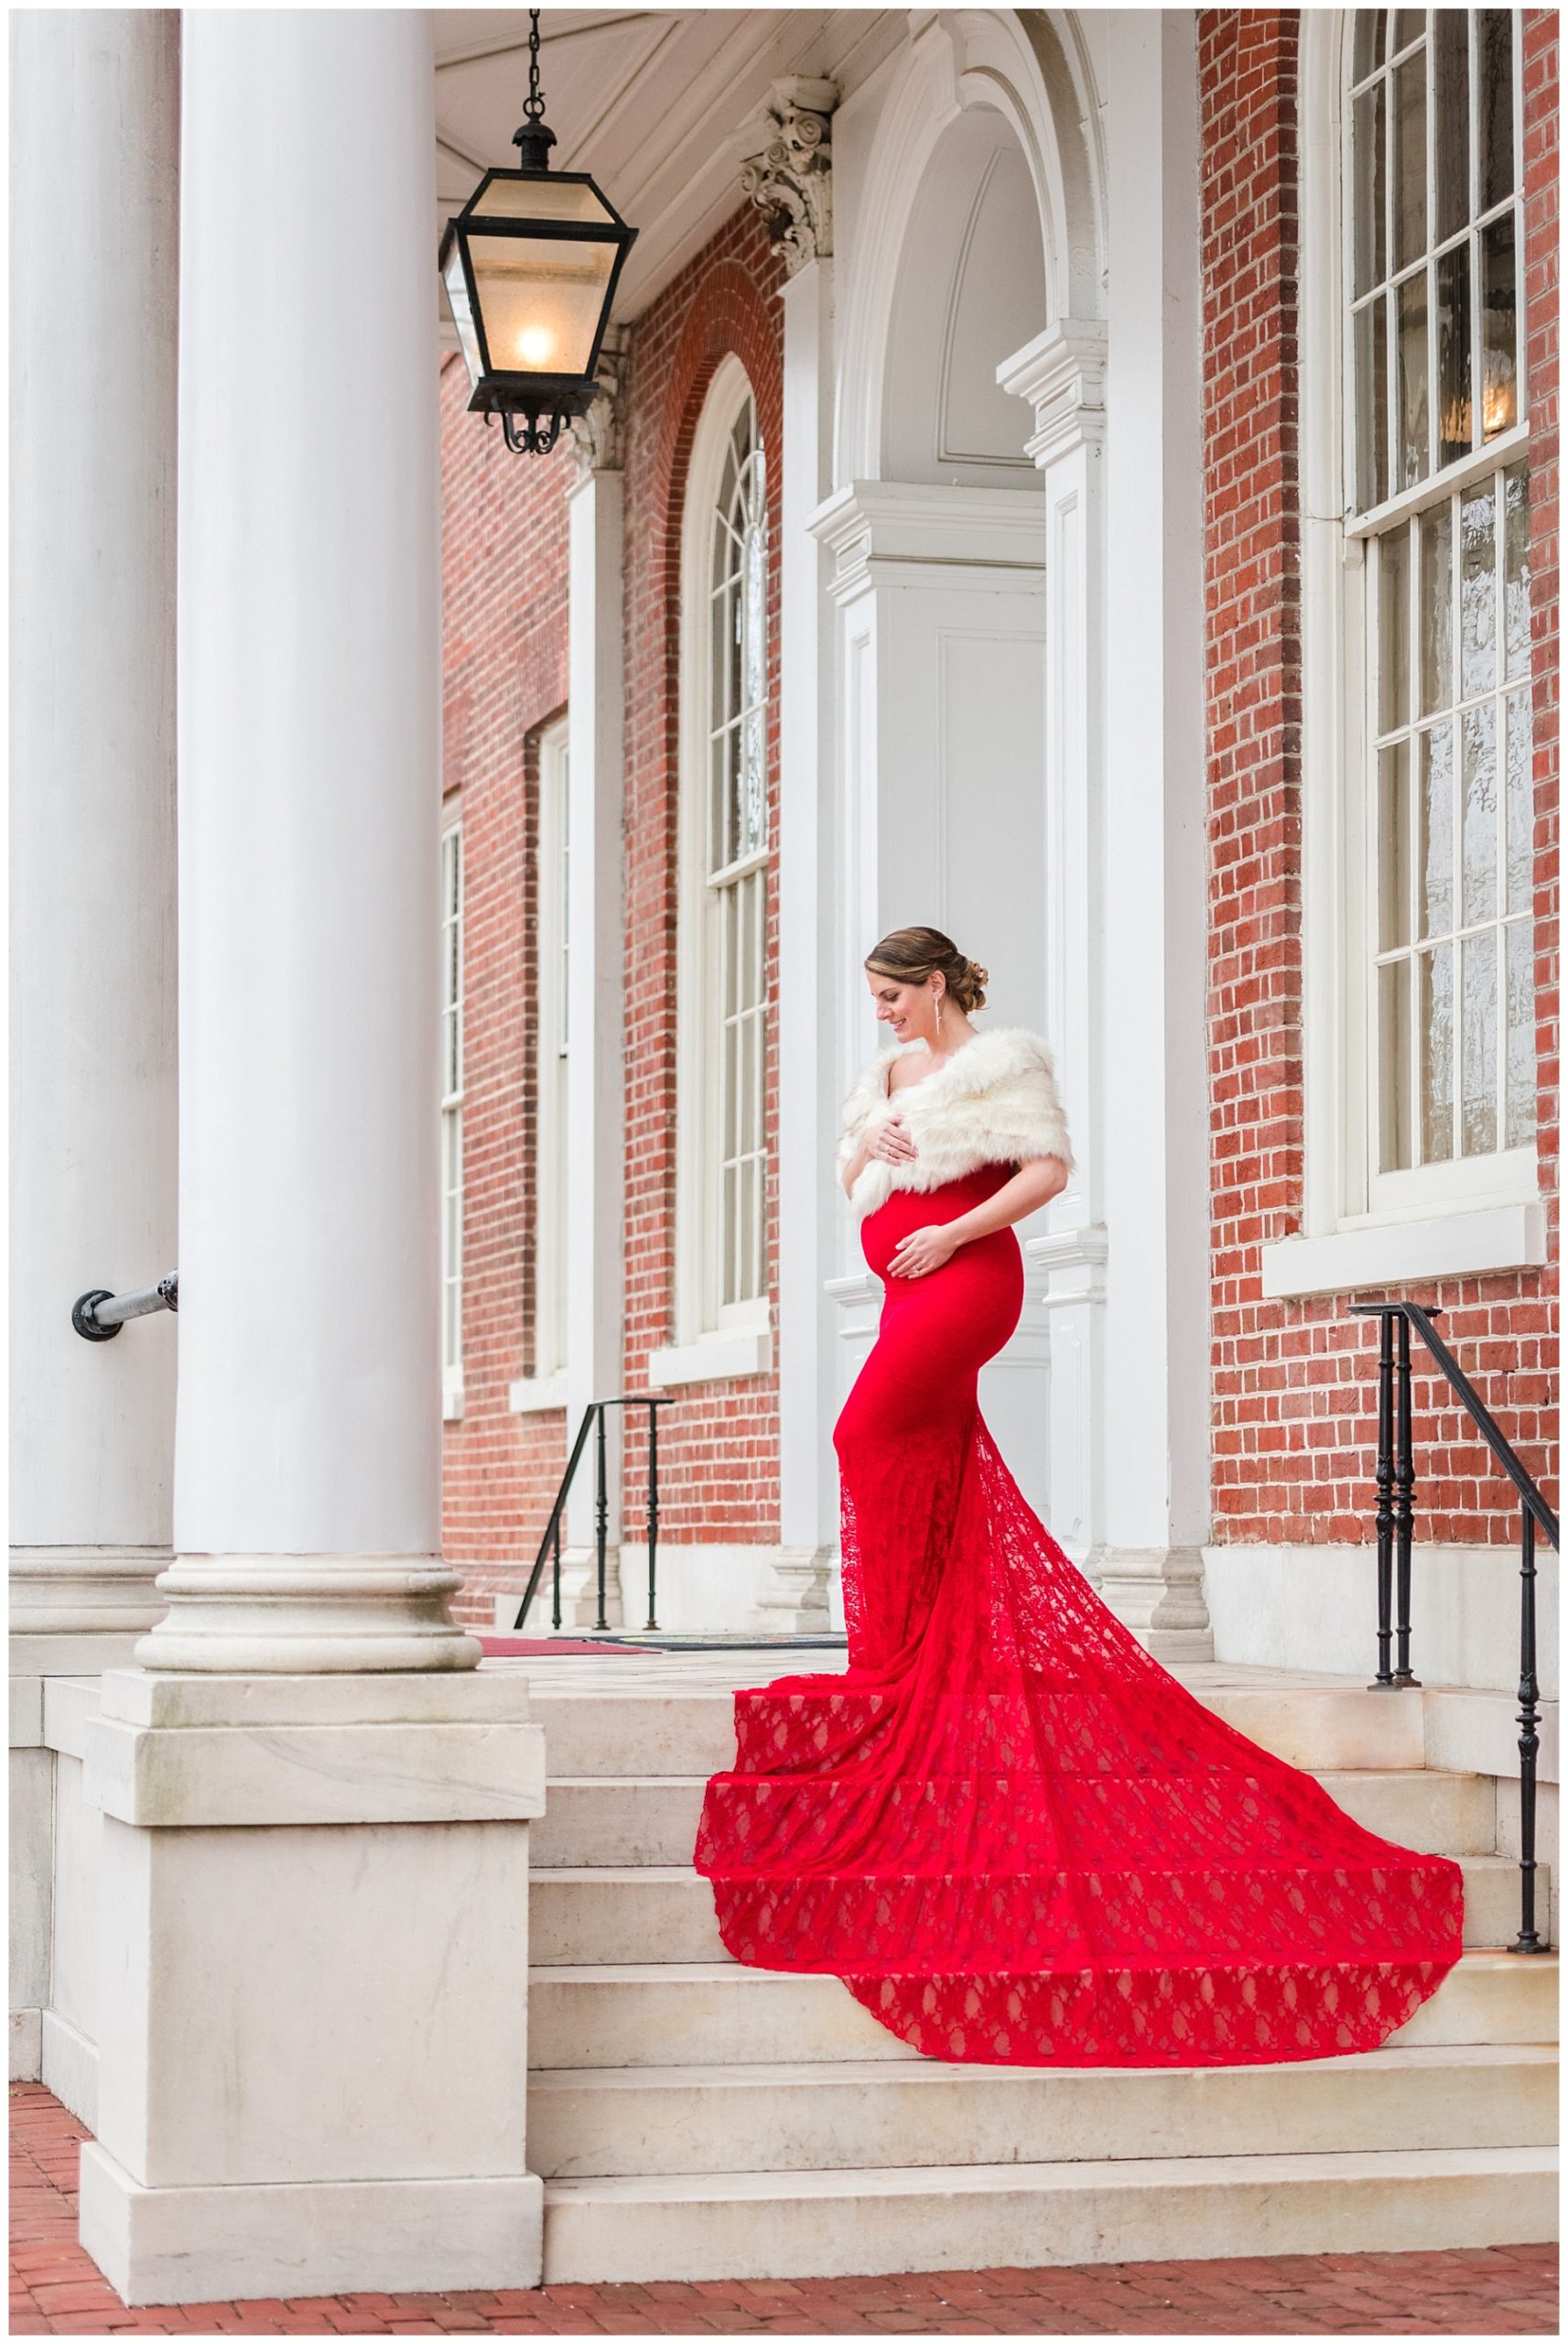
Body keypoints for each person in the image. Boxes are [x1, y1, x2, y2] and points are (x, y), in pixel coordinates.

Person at [695, 924, 1464, 2067]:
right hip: (906, 1287)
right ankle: (905, 1652)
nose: (883, 1013)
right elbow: (854, 1181)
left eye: (894, 994)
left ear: (938, 983)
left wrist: (949, 1230)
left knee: (865, 1435)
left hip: (965, 1280)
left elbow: (1048, 1173)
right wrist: (871, 1145)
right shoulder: (887, 1075)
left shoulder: (1004, 1063)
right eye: (874, 997)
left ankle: (896, 1656)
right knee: (920, 1453)